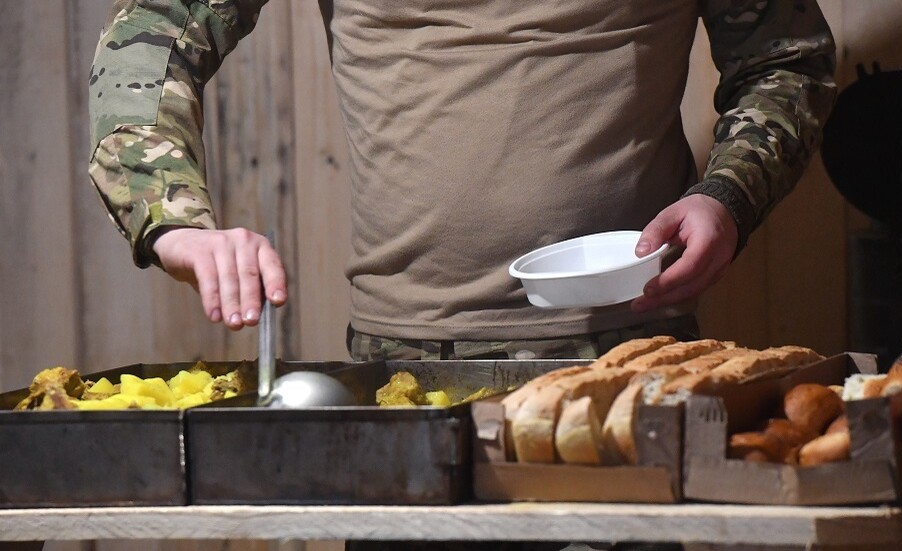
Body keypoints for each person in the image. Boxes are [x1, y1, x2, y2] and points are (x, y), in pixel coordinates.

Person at [88, 0, 835, 548]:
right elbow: (152, 31)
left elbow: (786, 58)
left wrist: (729, 194)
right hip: (402, 387)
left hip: (626, 372)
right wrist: (171, 216)